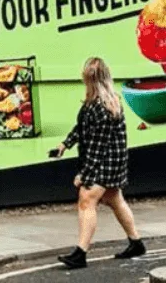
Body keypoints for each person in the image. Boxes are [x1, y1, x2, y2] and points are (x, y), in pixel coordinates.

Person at [53, 57, 146, 269]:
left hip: (107, 161)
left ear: (92, 80)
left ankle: (81, 253)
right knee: (115, 199)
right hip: (110, 159)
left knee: (86, 198)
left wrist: (84, 175)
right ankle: (136, 242)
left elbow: (97, 148)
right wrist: (64, 144)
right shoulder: (95, 102)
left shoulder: (103, 106)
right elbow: (82, 127)